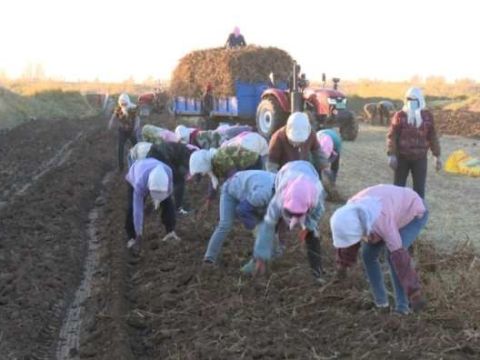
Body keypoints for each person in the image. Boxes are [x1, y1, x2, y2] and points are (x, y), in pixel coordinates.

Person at [330, 184, 428, 314]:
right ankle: (382, 303)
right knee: (367, 255)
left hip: (412, 211)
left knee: (392, 257)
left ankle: (402, 308)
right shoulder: (350, 212)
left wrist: (415, 294)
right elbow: (349, 239)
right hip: (390, 209)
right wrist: (342, 266)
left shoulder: (383, 222)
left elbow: (400, 257)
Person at [249, 161, 326, 283]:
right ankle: (262, 258)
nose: (292, 218)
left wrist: (307, 228)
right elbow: (268, 223)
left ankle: (317, 273)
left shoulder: (317, 196)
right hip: (285, 172)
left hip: (309, 173)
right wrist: (261, 257)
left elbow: (317, 214)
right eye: (290, 214)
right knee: (272, 225)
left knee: (312, 235)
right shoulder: (279, 199)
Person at [203, 170, 276, 264]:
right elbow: (241, 210)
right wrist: (255, 228)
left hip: (249, 190)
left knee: (265, 225)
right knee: (225, 224)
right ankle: (209, 258)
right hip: (231, 191)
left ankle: (267, 255)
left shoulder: (282, 189)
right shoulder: (263, 194)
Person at [387, 87, 441, 199]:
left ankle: (417, 212)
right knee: (398, 188)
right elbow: (392, 135)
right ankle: (398, 211)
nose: (411, 102)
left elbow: (432, 136)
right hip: (402, 158)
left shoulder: (427, 116)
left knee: (419, 190)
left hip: (420, 158)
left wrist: (437, 156)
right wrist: (392, 154)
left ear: (420, 100)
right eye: (409, 99)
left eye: (414, 99)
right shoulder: (400, 116)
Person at [125, 158, 180, 256]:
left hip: (153, 171)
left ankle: (170, 231)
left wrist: (155, 205)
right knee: (132, 208)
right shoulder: (139, 183)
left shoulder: (168, 172)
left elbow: (169, 192)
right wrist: (139, 234)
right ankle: (132, 237)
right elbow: (138, 210)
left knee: (168, 202)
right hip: (136, 172)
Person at [129, 141, 195, 214]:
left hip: (156, 154)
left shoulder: (184, 149)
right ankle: (179, 208)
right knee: (179, 180)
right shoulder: (188, 156)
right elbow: (182, 171)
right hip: (159, 156)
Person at [109, 93, 141, 171]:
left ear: (128, 101)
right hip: (122, 131)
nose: (123, 105)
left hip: (132, 131)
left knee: (137, 147)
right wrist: (110, 123)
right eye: (122, 104)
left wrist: (135, 128)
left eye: (124, 103)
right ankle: (121, 167)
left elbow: (137, 119)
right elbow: (113, 116)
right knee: (120, 148)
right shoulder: (119, 109)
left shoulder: (133, 108)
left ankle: (139, 164)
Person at [175, 124, 253, 149]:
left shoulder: (195, 139)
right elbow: (213, 136)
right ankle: (251, 129)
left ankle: (250, 129)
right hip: (222, 140)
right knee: (235, 131)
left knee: (235, 132)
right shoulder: (197, 136)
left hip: (221, 140)